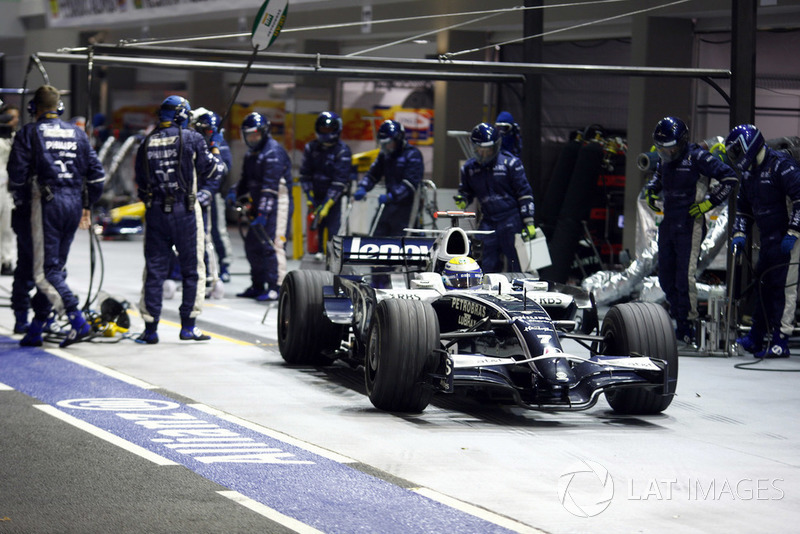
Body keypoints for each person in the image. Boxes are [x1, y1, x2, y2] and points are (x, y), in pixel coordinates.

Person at [6, 85, 106, 347]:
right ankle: (37, 328)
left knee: (44, 273)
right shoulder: (78, 133)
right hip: (72, 205)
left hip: (44, 205)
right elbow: (97, 176)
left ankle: (76, 321)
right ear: (59, 108)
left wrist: (23, 200)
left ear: (34, 109)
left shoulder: (29, 132)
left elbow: (16, 176)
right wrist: (86, 204)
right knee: (54, 268)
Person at [133, 95, 223, 344]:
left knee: (154, 270)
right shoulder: (192, 138)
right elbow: (214, 170)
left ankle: (150, 330)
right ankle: (188, 327)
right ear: (181, 115)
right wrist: (213, 145)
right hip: (185, 211)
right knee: (193, 268)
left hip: (155, 212)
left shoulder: (146, 142)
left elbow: (140, 183)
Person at [644, 116, 737, 345]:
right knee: (665, 277)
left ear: (683, 141)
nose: (666, 153)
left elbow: (730, 178)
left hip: (690, 224)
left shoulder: (698, 157)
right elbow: (658, 175)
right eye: (661, 150)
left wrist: (708, 203)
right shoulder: (665, 159)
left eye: (670, 149)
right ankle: (678, 319)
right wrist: (651, 191)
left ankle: (688, 324)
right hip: (668, 223)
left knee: (684, 278)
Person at [728, 124, 800, 358]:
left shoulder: (782, 164)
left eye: (737, 151)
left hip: (789, 239)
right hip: (768, 241)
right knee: (762, 288)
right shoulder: (748, 174)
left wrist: (794, 232)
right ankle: (756, 337)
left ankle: (781, 341)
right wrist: (739, 233)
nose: (736, 157)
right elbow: (743, 208)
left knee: (784, 290)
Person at [454, 122, 536, 273]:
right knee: (483, 261)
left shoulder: (510, 163)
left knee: (517, 262)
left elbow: (524, 193)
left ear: (496, 147)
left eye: (488, 150)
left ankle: (519, 292)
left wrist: (529, 221)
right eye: (480, 150)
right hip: (488, 221)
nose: (483, 154)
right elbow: (466, 191)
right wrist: (463, 199)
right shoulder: (469, 168)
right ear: (474, 147)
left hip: (512, 219)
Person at [235, 112, 293, 301]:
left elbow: (270, 186)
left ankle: (277, 287)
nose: (252, 139)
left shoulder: (273, 152)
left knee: (273, 245)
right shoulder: (251, 154)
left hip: (277, 202)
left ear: (263, 132)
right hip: (258, 202)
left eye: (255, 135)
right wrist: (233, 193)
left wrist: (263, 213)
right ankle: (258, 284)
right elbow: (246, 180)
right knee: (253, 245)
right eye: (248, 135)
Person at [353, 119, 423, 236]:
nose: (386, 147)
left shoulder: (412, 155)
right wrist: (363, 187)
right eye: (383, 144)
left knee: (401, 240)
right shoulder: (384, 156)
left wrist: (392, 196)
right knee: (377, 235)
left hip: (407, 208)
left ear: (398, 139)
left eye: (388, 143)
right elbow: (373, 174)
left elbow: (410, 183)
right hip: (388, 204)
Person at [299, 111, 352, 250]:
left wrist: (327, 204)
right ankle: (315, 257)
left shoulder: (343, 151)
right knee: (314, 229)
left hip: (334, 200)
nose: (325, 132)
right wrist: (309, 197)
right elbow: (305, 174)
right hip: (315, 197)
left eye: (329, 129)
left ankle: (333, 264)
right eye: (323, 129)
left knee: (334, 232)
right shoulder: (310, 147)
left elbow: (339, 181)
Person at [193, 110, 234, 282]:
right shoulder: (196, 143)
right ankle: (205, 269)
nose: (205, 133)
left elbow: (223, 170)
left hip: (215, 195)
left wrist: (213, 151)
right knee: (200, 234)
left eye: (209, 130)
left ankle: (224, 266)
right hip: (198, 194)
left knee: (218, 232)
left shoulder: (221, 145)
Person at [0, 102, 20, 276]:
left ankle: (6, 261)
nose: (13, 121)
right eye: (10, 118)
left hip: (7, 187)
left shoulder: (16, 138)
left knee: (7, 227)